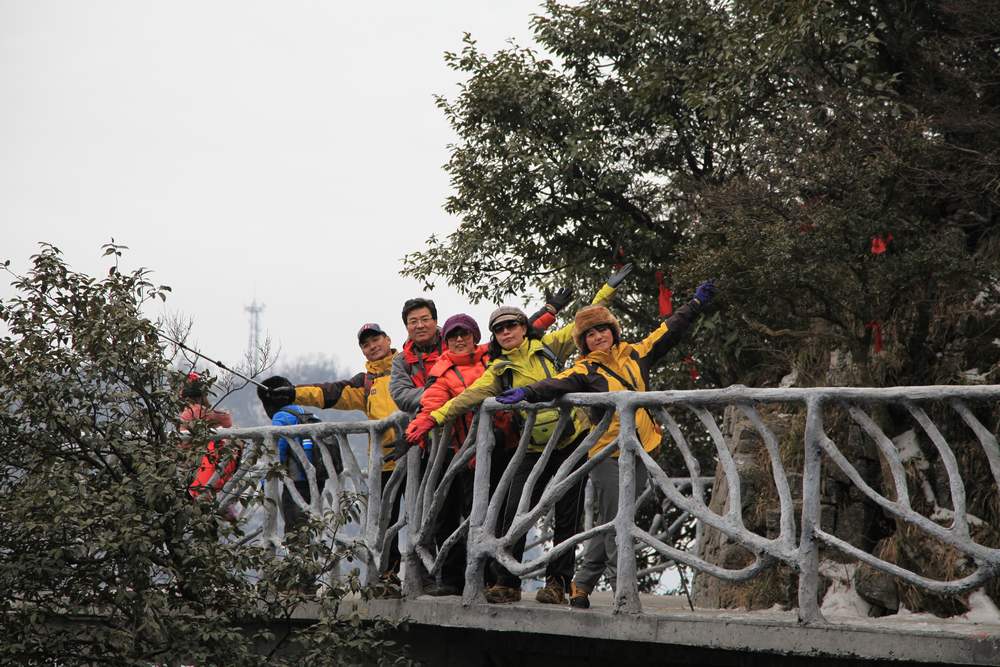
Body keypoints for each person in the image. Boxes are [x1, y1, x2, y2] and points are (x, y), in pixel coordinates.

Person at [406, 265, 634, 605]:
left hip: (569, 442)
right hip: (529, 447)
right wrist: (433, 417)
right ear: (494, 336)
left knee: (566, 517)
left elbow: (582, 324)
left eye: (512, 325)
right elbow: (468, 396)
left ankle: (557, 583)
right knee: (514, 510)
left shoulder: (549, 347)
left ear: (523, 328)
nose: (506, 331)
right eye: (498, 329)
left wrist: (606, 292)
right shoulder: (498, 369)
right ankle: (506, 582)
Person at [496, 280, 717, 609]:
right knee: (620, 519)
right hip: (604, 452)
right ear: (583, 341)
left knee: (616, 518)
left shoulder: (635, 354)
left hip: (642, 449)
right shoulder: (584, 368)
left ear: (613, 330)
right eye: (590, 334)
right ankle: (623, 592)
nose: (598, 336)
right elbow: (555, 384)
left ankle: (582, 583)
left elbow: (670, 329)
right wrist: (525, 393)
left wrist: (696, 304)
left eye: (603, 330)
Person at [261, 323, 404, 595]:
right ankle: (387, 577)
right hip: (384, 462)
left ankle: (435, 576)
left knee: (429, 518)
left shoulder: (407, 366)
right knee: (387, 523)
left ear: (388, 340)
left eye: (376, 340)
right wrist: (293, 392)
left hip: (421, 454)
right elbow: (328, 393)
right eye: (366, 344)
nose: (372, 346)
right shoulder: (366, 382)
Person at [390, 293, 571, 414]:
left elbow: (513, 336)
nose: (419, 325)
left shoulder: (459, 343)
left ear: (435, 320)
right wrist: (447, 392)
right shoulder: (402, 361)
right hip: (438, 438)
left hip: (485, 427)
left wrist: (547, 312)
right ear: (406, 326)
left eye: (424, 319)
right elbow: (401, 396)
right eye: (413, 321)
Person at [256, 375, 329, 537]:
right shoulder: (305, 413)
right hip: (318, 477)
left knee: (294, 525)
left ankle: (298, 558)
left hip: (298, 479)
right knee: (310, 521)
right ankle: (313, 553)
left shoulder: (281, 416)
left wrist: (264, 483)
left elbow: (276, 451)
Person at [179, 372, 240, 521]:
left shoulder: (187, 413)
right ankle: (221, 503)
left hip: (189, 464)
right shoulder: (204, 412)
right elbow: (227, 421)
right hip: (203, 467)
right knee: (231, 443)